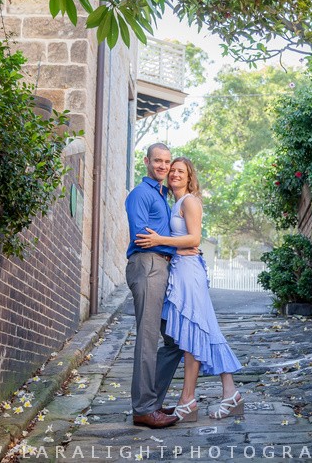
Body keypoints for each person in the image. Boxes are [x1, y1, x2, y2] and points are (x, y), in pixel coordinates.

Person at [135, 157, 243, 422]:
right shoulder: (175, 204)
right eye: (172, 170)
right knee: (195, 331)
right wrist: (175, 247)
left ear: (189, 176)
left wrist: (160, 240)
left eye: (180, 171)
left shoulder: (190, 201)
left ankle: (197, 398)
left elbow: (194, 238)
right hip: (181, 269)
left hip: (190, 271)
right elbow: (185, 241)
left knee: (198, 328)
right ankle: (217, 395)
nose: (174, 174)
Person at [124, 143, 197, 429]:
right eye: (158, 161)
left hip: (162, 266)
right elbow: (143, 235)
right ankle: (143, 408)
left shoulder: (161, 195)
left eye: (167, 162)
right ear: (147, 161)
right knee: (148, 336)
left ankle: (151, 401)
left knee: (175, 340)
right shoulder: (140, 194)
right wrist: (170, 245)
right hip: (147, 265)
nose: (163, 166)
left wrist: (182, 248)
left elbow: (164, 234)